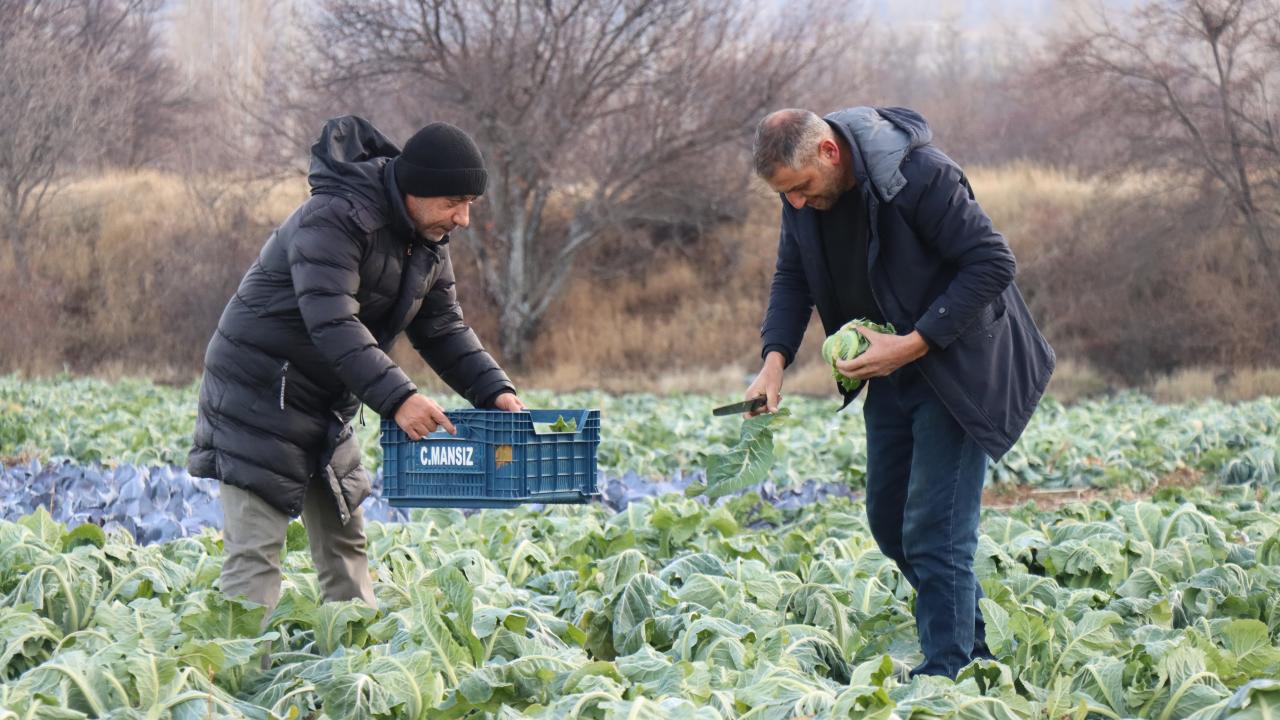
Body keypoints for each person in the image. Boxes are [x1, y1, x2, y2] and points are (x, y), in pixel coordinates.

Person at [745, 107, 1055, 678]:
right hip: (887, 370)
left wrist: (912, 343)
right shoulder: (805, 202)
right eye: (783, 194)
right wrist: (773, 363)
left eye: (800, 188)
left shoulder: (921, 176)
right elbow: (793, 277)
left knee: (935, 529)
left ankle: (950, 674)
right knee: (890, 522)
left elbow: (992, 263)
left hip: (957, 368)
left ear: (829, 152)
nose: (795, 202)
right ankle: (970, 644)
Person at [188, 115, 524, 613]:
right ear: (417, 189)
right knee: (257, 554)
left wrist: (494, 391)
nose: (463, 220)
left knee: (345, 541)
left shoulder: (427, 243)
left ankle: (351, 660)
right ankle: (236, 678)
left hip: (328, 398)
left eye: (470, 205)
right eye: (454, 203)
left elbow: (443, 330)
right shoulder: (334, 218)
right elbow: (332, 322)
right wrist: (401, 399)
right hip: (259, 393)